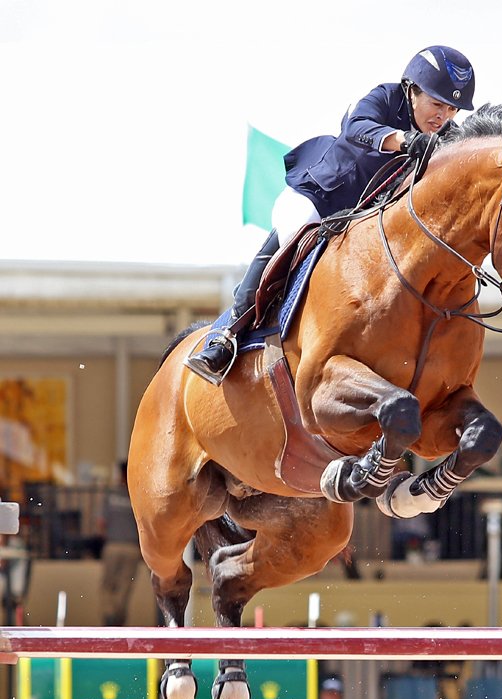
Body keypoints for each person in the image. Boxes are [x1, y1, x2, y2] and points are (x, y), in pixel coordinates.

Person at [186, 45, 476, 384]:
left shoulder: (445, 136)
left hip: (370, 221)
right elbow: (357, 126)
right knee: (292, 232)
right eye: (437, 104)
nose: (443, 116)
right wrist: (403, 140)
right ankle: (227, 332)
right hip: (323, 197)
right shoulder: (385, 97)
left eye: (452, 109)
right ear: (412, 90)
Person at [98, 460, 142, 626]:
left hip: (112, 545)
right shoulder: (137, 496)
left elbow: (101, 523)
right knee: (125, 587)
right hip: (132, 548)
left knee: (108, 585)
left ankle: (109, 615)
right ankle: (118, 620)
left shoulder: (111, 495)